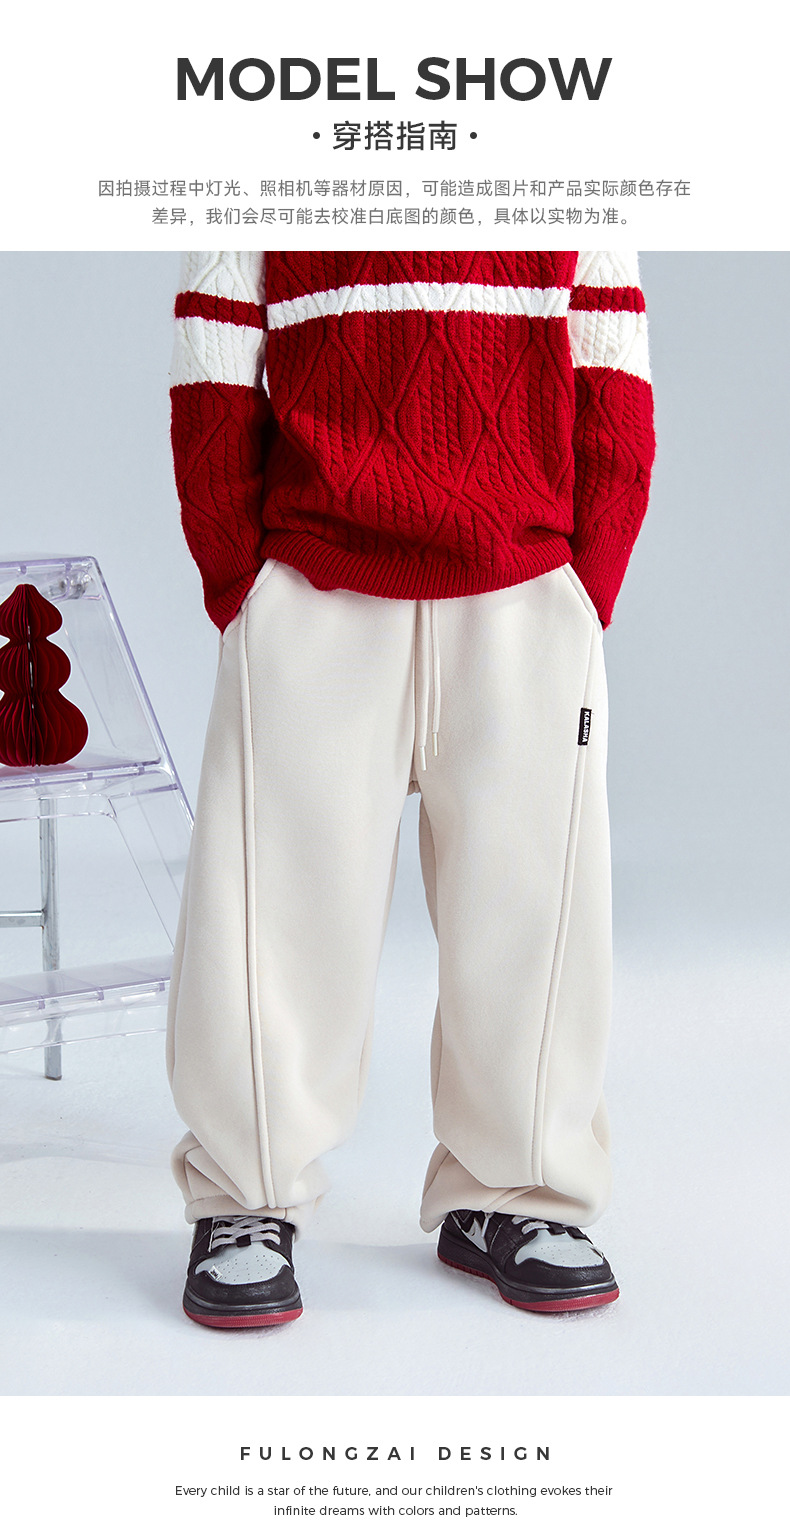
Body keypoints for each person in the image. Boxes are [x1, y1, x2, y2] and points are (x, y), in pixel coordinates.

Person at [167, 250, 655, 1328]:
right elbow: (213, 344)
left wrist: (589, 582)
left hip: (525, 586)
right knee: (272, 908)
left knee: (534, 910)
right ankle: (246, 1192)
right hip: (314, 579)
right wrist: (239, 578)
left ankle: (515, 1192)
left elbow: (611, 352)